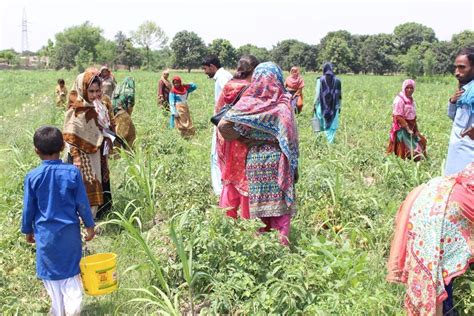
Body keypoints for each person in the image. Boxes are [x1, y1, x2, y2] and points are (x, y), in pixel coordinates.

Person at [218, 62, 299, 245]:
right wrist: (294, 170)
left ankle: (261, 249)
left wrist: (246, 139)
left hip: (254, 159)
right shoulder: (283, 103)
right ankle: (281, 251)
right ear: (277, 78)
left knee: (259, 208)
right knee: (280, 211)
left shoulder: (249, 102)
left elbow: (224, 125)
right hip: (279, 160)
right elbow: (291, 140)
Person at [21, 126, 95, 316]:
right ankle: (73, 310)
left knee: (52, 278)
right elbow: (82, 203)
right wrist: (89, 226)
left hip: (45, 236)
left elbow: (29, 208)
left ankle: (59, 311)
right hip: (69, 234)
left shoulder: (32, 177)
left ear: (36, 150)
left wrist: (28, 230)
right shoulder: (72, 173)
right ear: (63, 146)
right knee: (71, 272)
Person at [386, 162, 474, 316]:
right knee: (436, 273)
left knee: (437, 269)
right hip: (441, 212)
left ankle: (446, 307)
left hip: (433, 197)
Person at [63, 68, 115, 218]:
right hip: (82, 157)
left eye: (97, 91)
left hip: (97, 153)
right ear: (82, 89)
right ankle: (84, 219)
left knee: (98, 182)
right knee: (86, 185)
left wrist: (107, 134)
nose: (94, 95)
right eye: (91, 91)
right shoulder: (77, 110)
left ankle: (98, 214)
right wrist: (76, 157)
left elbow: (106, 125)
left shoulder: (100, 106)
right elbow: (70, 137)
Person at [216, 55, 259, 220]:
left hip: (228, 138)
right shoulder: (251, 89)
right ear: (254, 70)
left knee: (230, 177)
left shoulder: (228, 86)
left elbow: (218, 111)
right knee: (246, 179)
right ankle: (249, 223)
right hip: (246, 141)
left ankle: (227, 218)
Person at [202, 55, 233, 196]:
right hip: (223, 121)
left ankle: (221, 191)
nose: (204, 72)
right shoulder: (224, 76)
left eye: (205, 68)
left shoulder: (222, 78)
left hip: (223, 122)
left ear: (212, 66)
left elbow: (231, 99)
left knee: (217, 155)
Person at [445, 47, 474, 176]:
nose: (457, 72)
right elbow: (454, 117)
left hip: (468, 155)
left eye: (462, 67)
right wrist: (452, 101)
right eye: (456, 67)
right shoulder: (464, 91)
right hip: (456, 151)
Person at [387, 79, 427, 161]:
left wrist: (415, 129)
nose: (409, 90)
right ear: (403, 88)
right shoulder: (399, 100)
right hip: (402, 128)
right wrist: (408, 129)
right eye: (407, 88)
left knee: (422, 141)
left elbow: (413, 116)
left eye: (411, 88)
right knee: (408, 149)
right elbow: (398, 116)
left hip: (411, 126)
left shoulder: (411, 100)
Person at [313, 62, 342, 144]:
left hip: (321, 107)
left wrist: (314, 104)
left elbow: (317, 94)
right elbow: (339, 96)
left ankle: (317, 143)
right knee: (331, 128)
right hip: (333, 108)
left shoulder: (320, 80)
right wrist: (339, 106)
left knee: (317, 125)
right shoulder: (338, 81)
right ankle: (329, 147)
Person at [112, 77, 136, 149]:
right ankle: (124, 151)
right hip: (122, 113)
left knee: (114, 131)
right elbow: (130, 106)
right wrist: (128, 117)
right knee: (126, 134)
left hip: (113, 113)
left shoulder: (118, 88)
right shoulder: (130, 91)